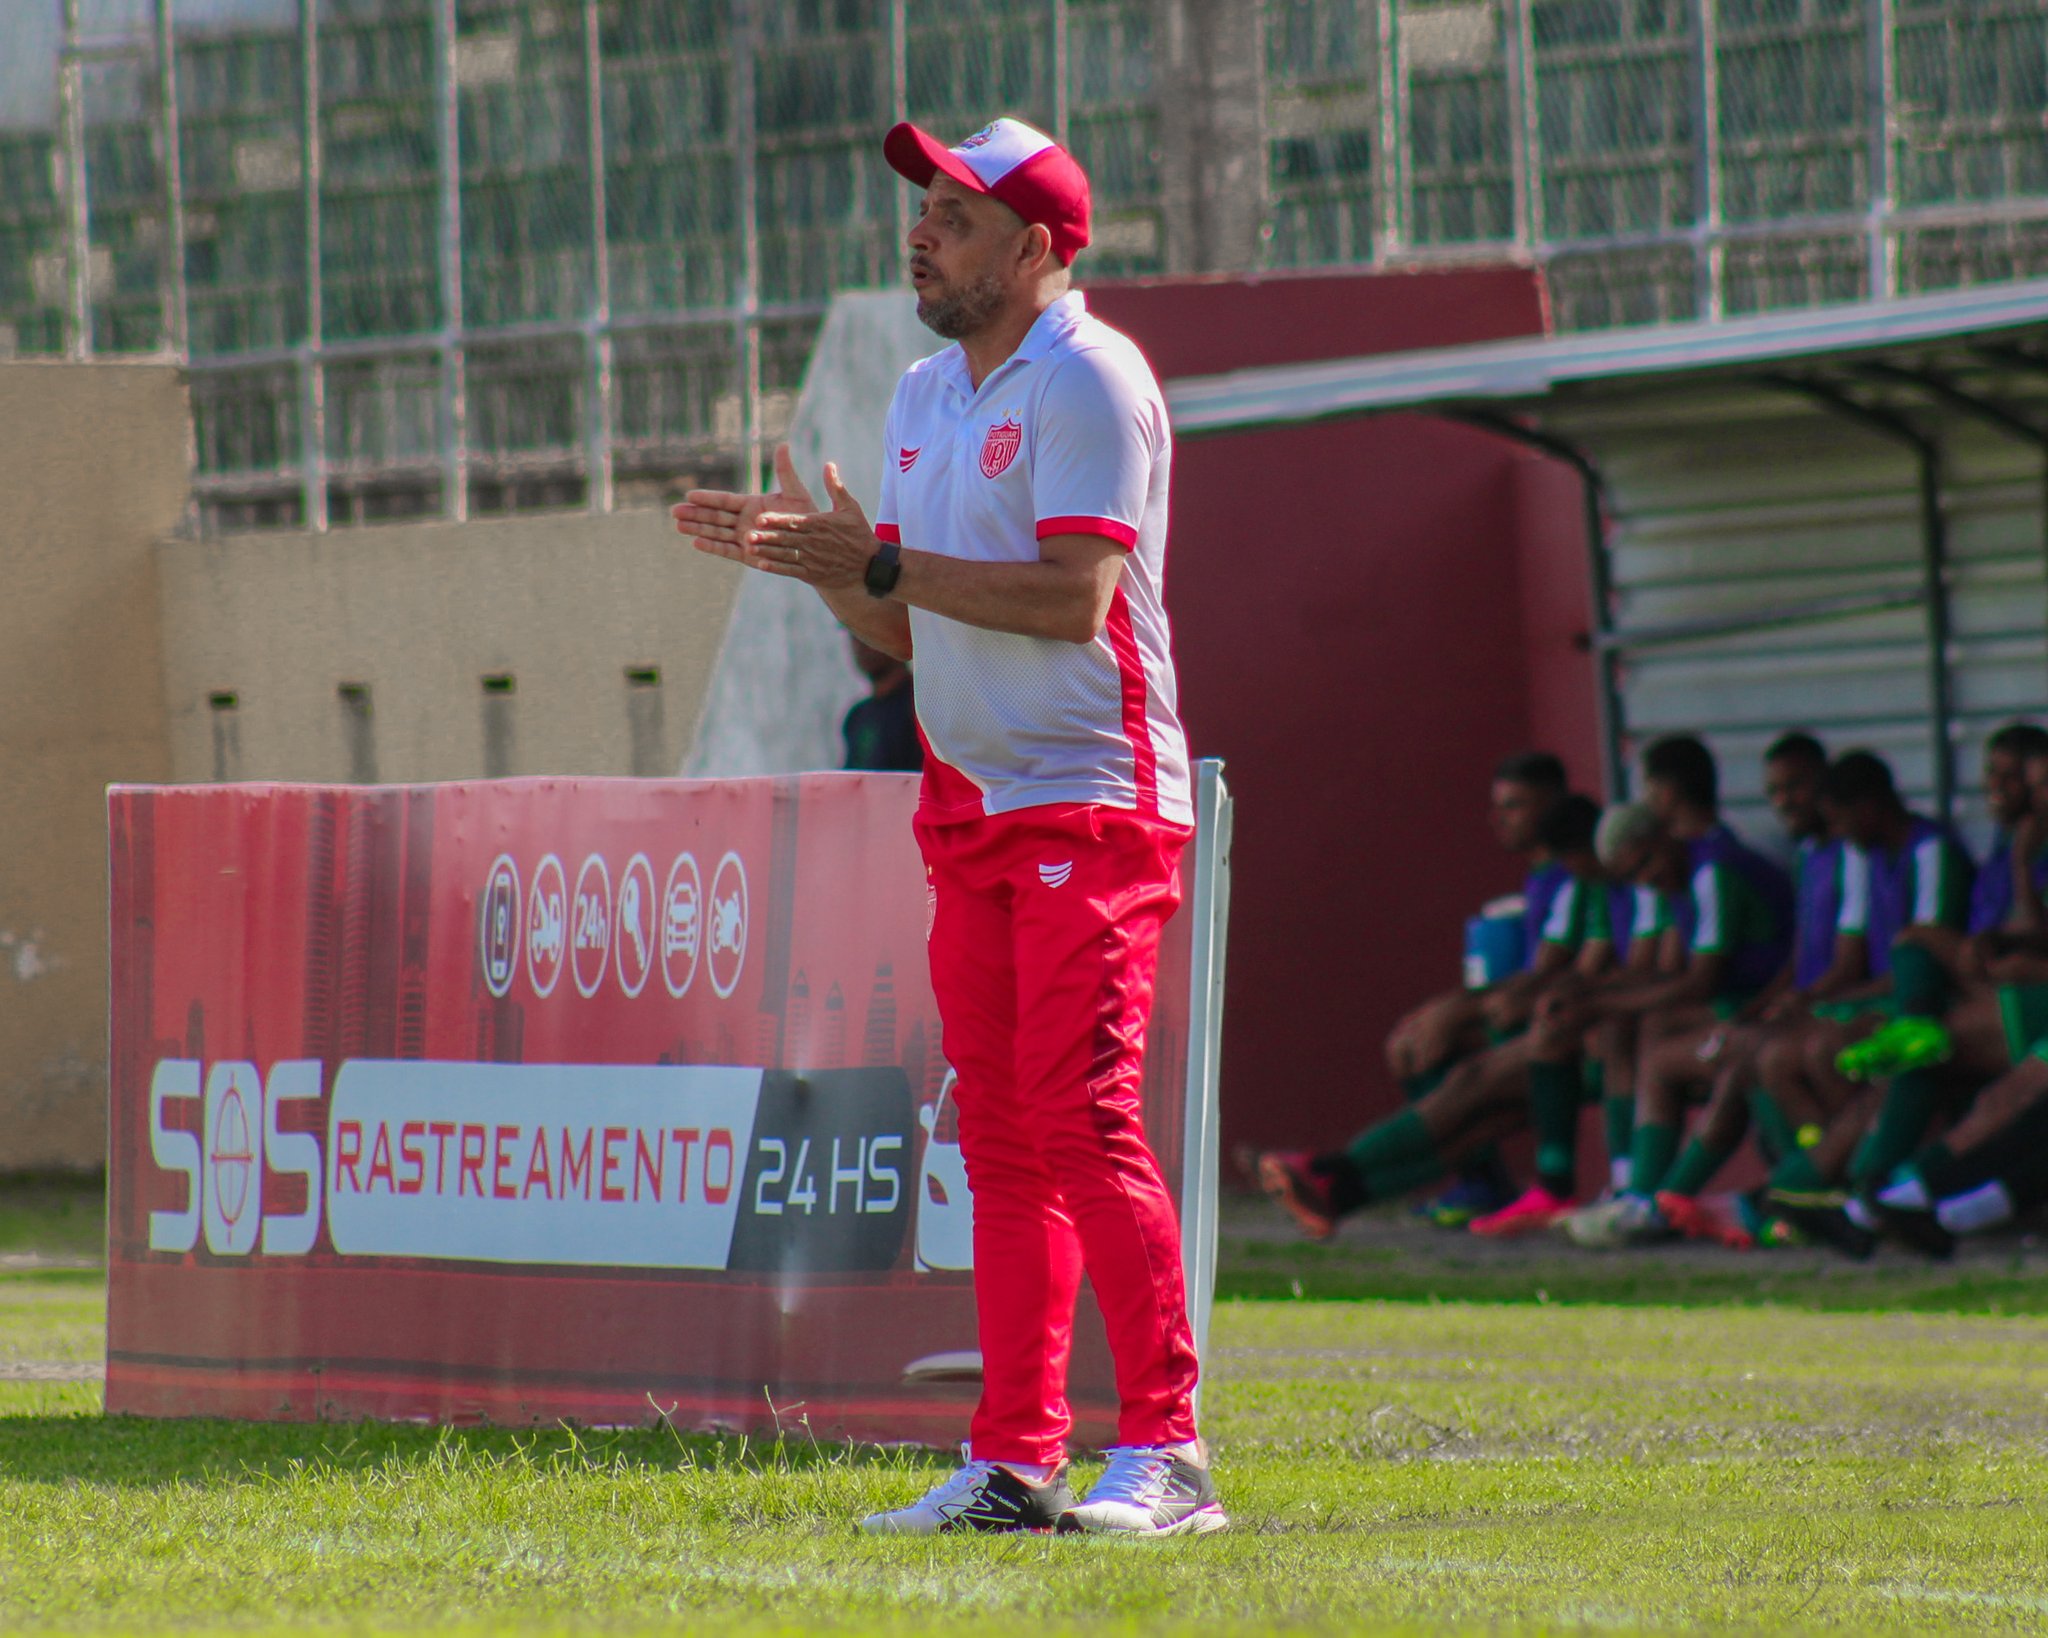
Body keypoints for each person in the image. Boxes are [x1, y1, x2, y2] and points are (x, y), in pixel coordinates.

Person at [672, 115, 1222, 1538]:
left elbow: (1070, 601)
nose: (922, 233)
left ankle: (1169, 1449)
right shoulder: (924, 388)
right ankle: (1015, 1460)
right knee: (1003, 1141)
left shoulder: (1090, 376)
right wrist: (823, 571)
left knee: (1086, 1121)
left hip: (1094, 800)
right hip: (973, 803)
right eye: (922, 211)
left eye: (957, 218)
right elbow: (909, 619)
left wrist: (885, 563)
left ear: (1039, 249)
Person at [1250, 794, 1634, 1240]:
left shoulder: (1621, 884)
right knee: (1479, 1113)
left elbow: (1642, 973)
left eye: (1513, 804)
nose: (1499, 818)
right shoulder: (1583, 884)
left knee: (1473, 1082)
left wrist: (1578, 1003)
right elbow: (1577, 970)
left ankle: (1328, 1168)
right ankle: (1341, 1195)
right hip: (1578, 1025)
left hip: (1606, 1037)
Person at [1559, 738, 1795, 1248]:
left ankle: (1655, 1200)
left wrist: (1597, 1003)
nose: (1647, 881)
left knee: (1686, 1057)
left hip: (1774, 1015)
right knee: (1651, 1038)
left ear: (1663, 829)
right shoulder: (1687, 877)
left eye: (1646, 865)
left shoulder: (1714, 869)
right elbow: (1674, 975)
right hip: (1749, 1009)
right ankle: (1638, 1191)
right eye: (1634, 877)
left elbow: (1703, 979)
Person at [1640, 732, 1871, 1247]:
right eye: (1775, 791)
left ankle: (1791, 1198)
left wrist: (1795, 1005)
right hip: (1810, 1007)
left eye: (1797, 786)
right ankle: (1658, 1200)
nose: (1785, 801)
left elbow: (1850, 960)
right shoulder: (1808, 853)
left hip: (1854, 1008)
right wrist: (1765, 1006)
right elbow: (1802, 957)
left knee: (1757, 1056)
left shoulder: (1853, 855)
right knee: (1693, 1045)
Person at [1381, 751, 1572, 1226]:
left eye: (1516, 806)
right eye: (1499, 806)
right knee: (1412, 1042)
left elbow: (1552, 974)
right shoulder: (1539, 877)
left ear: (1553, 804)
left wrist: (1457, 1012)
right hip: (1522, 1012)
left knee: (1437, 1045)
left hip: (1557, 1022)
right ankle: (1479, 1183)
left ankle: (1348, 1179)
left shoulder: (1573, 875)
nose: (1500, 819)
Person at [841, 633, 923, 771]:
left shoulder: (922, 707)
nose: (861, 644)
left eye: (869, 633)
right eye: (854, 635)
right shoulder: (856, 716)